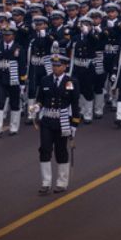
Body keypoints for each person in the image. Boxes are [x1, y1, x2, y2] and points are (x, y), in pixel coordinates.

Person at [34, 53, 79, 194]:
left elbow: (75, 104)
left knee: (61, 151)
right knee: (45, 149)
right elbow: (40, 98)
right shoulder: (45, 80)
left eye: (58, 65)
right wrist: (36, 107)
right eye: (53, 65)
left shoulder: (71, 81)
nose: (55, 68)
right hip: (47, 120)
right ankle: (46, 183)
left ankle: (61, 182)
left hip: (63, 121)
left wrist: (74, 125)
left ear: (65, 66)